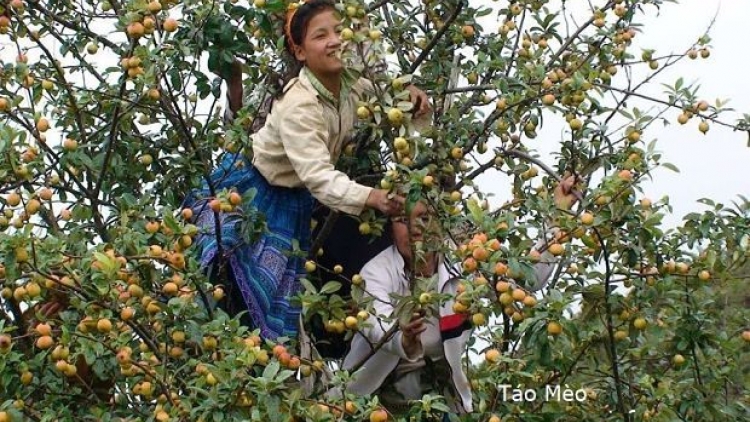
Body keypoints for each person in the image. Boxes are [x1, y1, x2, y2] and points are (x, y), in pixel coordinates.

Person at [187, 0, 430, 340]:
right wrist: (372, 196)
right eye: (320, 35)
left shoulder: (349, 85)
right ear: (298, 50)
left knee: (285, 303)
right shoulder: (296, 103)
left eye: (338, 31)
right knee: (232, 291)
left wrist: (410, 97)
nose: (334, 41)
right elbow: (318, 176)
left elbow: (385, 95)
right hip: (254, 194)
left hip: (296, 199)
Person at [341, 178, 578, 417]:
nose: (415, 228)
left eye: (425, 217)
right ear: (390, 226)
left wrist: (557, 216)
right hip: (368, 404)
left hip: (442, 403)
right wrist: (402, 338)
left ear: (441, 221)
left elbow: (528, 280)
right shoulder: (375, 272)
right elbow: (375, 322)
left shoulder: (465, 263)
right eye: (402, 219)